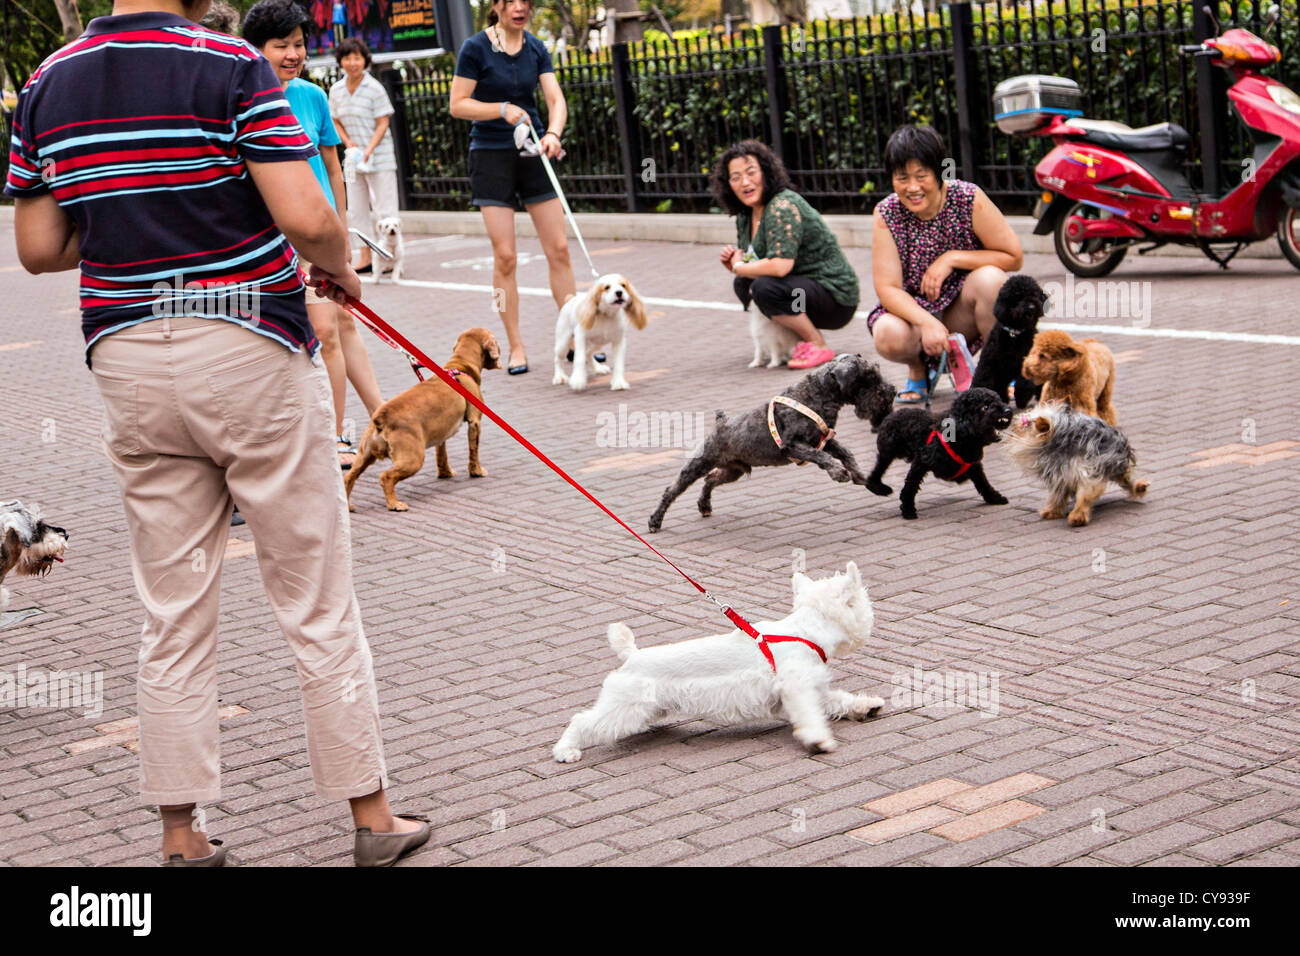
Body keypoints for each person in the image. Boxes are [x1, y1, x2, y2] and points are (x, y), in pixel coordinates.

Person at [7, 0, 427, 866]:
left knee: (171, 607)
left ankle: (181, 833)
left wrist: (133, 214)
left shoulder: (47, 82)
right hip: (249, 345)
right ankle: (371, 817)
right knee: (314, 592)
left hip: (127, 356)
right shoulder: (229, 65)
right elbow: (310, 218)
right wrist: (339, 269)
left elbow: (40, 247)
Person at [246, 0, 384, 469]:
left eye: (299, 44)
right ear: (256, 49)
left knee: (342, 324)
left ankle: (377, 423)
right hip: (277, 237)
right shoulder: (245, 101)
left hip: (320, 233)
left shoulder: (312, 96)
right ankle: (337, 439)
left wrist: (341, 232)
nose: (292, 54)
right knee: (325, 330)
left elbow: (332, 166)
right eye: (280, 46)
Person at [448, 0, 573, 375]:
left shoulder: (536, 47)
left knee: (561, 249)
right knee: (505, 257)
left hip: (533, 148)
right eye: (510, 1)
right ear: (496, 6)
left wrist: (553, 133)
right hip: (490, 156)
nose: (519, 8)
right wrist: (499, 109)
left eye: (525, 1)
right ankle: (515, 346)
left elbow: (555, 99)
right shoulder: (475, 48)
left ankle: (574, 338)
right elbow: (458, 104)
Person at [867, 124, 1024, 403]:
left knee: (993, 280)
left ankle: (999, 369)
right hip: (914, 316)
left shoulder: (967, 198)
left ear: (939, 172)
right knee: (886, 332)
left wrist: (951, 259)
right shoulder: (886, 213)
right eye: (902, 177)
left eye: (921, 176)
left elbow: (1013, 257)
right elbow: (888, 289)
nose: (912, 187)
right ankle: (918, 372)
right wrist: (927, 322)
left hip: (962, 309)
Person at [712, 139, 859, 370]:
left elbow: (780, 266)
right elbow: (754, 262)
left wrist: (741, 267)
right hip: (801, 290)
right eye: (736, 177)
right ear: (728, 184)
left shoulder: (782, 205)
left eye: (751, 172)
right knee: (744, 283)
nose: (745, 182)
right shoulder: (745, 215)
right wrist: (734, 264)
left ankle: (817, 344)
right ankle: (792, 340)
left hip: (833, 297)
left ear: (766, 172)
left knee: (765, 289)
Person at [328, 37, 400, 278]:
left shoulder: (374, 88)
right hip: (353, 158)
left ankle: (389, 258)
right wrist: (348, 142)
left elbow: (383, 122)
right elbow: (334, 119)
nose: (352, 63)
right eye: (347, 58)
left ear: (365, 60)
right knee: (357, 210)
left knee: (385, 209)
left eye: (357, 57)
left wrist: (368, 150)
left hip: (379, 156)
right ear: (341, 61)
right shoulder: (336, 90)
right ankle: (366, 257)